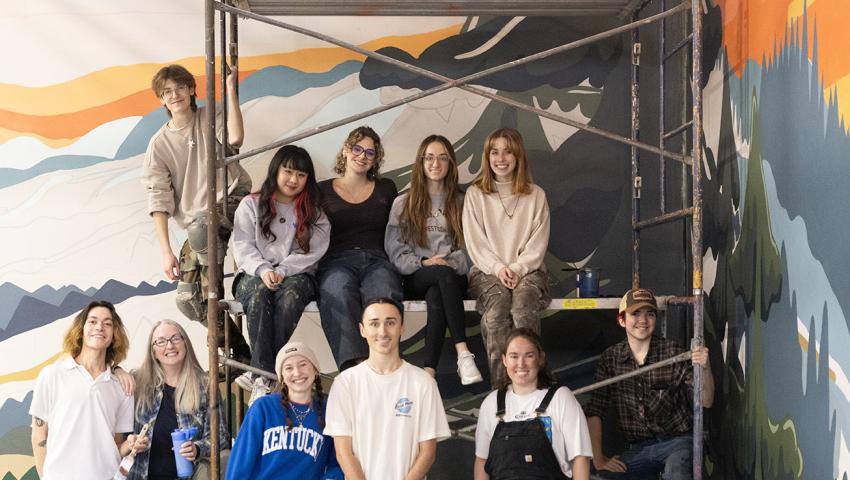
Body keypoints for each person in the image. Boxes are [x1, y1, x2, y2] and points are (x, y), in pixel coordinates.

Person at [141, 63, 251, 356]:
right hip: (197, 224)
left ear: (191, 89)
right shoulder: (159, 144)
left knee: (202, 231)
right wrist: (167, 251)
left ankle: (215, 296)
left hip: (231, 196)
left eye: (180, 87)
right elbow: (158, 200)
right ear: (161, 99)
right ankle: (240, 352)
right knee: (188, 300)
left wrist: (229, 90)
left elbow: (236, 139)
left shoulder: (208, 116)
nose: (174, 95)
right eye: (167, 92)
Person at [232, 145, 330, 402]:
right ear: (276, 171)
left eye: (301, 175)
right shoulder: (251, 205)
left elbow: (313, 253)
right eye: (288, 172)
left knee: (288, 298)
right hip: (253, 274)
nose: (293, 180)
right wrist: (263, 270)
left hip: (297, 276)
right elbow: (242, 246)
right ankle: (267, 375)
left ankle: (260, 375)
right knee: (259, 292)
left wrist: (283, 270)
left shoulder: (315, 213)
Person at [584, 288, 715, 480]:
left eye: (650, 314)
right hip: (639, 449)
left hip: (678, 442)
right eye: (635, 313)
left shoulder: (673, 352)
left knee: (676, 474)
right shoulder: (611, 358)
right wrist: (598, 459)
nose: (643, 320)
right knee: (605, 476)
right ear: (622, 320)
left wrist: (705, 368)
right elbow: (595, 411)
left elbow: (706, 401)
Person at [384, 134, 482, 385]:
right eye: (429, 157)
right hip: (418, 275)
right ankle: (463, 352)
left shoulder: (462, 202)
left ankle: (429, 374)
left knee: (438, 293)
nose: (435, 163)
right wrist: (424, 263)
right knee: (440, 275)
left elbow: (472, 248)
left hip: (452, 277)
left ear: (450, 163)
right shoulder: (403, 203)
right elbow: (395, 250)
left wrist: (449, 263)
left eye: (442, 158)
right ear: (421, 162)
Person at [462, 127, 551, 387]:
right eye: (494, 152)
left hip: (530, 271)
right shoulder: (475, 194)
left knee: (522, 307)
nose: (501, 158)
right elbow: (476, 243)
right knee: (497, 308)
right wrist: (499, 269)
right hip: (486, 271)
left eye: (508, 152)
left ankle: (533, 384)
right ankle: (501, 389)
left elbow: (538, 243)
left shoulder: (536, 195)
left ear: (518, 156)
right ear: (487, 157)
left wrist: (518, 268)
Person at [325, 298, 451, 480]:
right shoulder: (345, 383)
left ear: (402, 328)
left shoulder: (423, 383)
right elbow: (343, 453)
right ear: (362, 330)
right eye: (374, 324)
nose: (382, 331)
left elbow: (428, 452)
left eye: (390, 323)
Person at [317, 126, 404, 371]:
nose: (362, 156)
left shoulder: (386, 188)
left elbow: (398, 230)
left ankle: (384, 364)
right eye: (357, 148)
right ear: (346, 150)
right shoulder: (321, 190)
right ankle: (353, 369)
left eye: (370, 152)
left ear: (376, 159)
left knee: (384, 291)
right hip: (336, 260)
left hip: (377, 260)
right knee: (337, 290)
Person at [29, 300, 136, 480]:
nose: (100, 327)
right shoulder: (52, 375)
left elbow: (116, 444)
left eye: (107, 323)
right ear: (81, 329)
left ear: (114, 335)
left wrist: (131, 444)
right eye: (93, 321)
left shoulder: (122, 386)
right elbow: (39, 434)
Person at [474, 328, 592, 480]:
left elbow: (580, 458)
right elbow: (481, 461)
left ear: (541, 358)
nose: (521, 364)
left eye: (529, 356)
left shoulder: (561, 397)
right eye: (513, 356)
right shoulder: (491, 403)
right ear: (504, 360)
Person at [127, 319, 230, 480]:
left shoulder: (205, 385)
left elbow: (220, 438)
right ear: (153, 351)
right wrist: (131, 441)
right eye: (161, 342)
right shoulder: (137, 382)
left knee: (226, 459)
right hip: (142, 476)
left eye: (176, 338)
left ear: (185, 343)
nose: (170, 346)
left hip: (188, 476)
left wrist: (197, 448)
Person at [226, 341, 343, 479]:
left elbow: (339, 462)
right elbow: (240, 461)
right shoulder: (263, 407)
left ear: (315, 370)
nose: (297, 373)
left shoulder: (330, 411)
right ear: (281, 376)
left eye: (303, 365)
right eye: (288, 368)